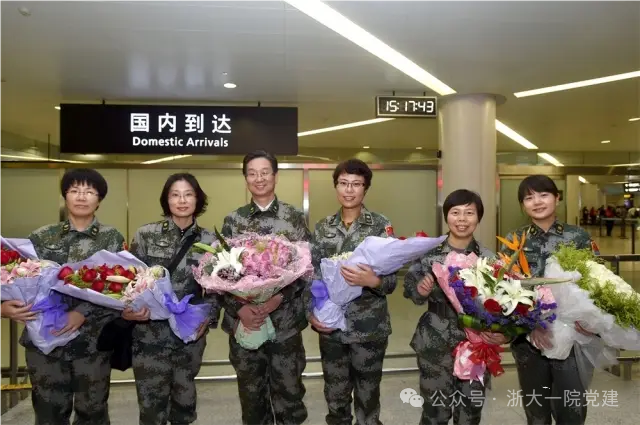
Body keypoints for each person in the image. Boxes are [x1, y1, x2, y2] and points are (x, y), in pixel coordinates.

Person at [0, 168, 125, 425]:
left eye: (89, 192)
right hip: (44, 341)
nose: (81, 196)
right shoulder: (41, 236)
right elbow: (13, 273)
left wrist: (83, 313)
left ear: (99, 200)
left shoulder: (112, 238)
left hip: (92, 342)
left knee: (93, 413)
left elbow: (120, 288)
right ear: (65, 196)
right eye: (74, 190)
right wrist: (3, 306)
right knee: (48, 414)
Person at [219, 150, 311, 425]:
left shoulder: (293, 217)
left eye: (264, 172)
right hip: (245, 323)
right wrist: (239, 307)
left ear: (275, 176)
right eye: (252, 173)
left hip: (285, 325)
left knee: (289, 397)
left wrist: (278, 298)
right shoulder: (233, 220)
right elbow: (220, 273)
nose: (259, 179)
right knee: (252, 399)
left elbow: (306, 268)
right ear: (245, 178)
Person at [501, 175, 599, 425]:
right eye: (529, 197)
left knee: (572, 410)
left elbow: (597, 283)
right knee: (537, 413)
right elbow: (503, 289)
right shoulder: (514, 240)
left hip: (571, 338)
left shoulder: (578, 237)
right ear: (523, 205)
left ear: (557, 198)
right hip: (529, 341)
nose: (537, 202)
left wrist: (589, 321)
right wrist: (530, 324)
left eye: (543, 195)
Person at [403, 189, 504, 425]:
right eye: (455, 212)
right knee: (435, 411)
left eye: (469, 213)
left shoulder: (489, 258)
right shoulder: (430, 253)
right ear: (446, 216)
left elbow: (502, 303)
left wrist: (500, 331)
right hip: (435, 341)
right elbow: (409, 289)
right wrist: (421, 290)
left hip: (476, 344)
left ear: (478, 217)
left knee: (470, 411)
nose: (462, 219)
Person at [308, 159, 397, 425]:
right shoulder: (323, 227)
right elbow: (311, 275)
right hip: (332, 327)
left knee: (368, 399)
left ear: (365, 189)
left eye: (356, 184)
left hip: (369, 326)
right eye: (343, 183)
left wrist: (373, 280)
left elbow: (391, 281)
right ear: (335, 186)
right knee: (335, 397)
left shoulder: (380, 226)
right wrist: (312, 313)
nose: (349, 190)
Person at [125, 173, 217, 425]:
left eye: (188, 194)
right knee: (151, 408)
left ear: (198, 199)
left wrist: (208, 318)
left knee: (184, 406)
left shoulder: (210, 240)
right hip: (149, 334)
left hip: (189, 334)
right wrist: (129, 308)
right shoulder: (146, 234)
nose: (182, 200)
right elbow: (130, 279)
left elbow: (218, 289)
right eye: (175, 195)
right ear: (166, 200)